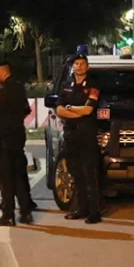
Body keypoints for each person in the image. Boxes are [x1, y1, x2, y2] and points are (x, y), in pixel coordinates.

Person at [0, 61, 34, 226]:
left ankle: (8, 215)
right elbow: (26, 110)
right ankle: (25, 213)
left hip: (3, 139)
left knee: (6, 178)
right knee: (19, 176)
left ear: (4, 72)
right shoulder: (20, 88)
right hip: (18, 136)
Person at [55, 54, 102, 224]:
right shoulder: (66, 85)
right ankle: (80, 209)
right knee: (75, 172)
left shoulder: (93, 85)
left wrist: (70, 109)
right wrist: (76, 112)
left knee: (89, 173)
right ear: (73, 66)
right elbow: (59, 110)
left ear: (87, 66)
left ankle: (94, 212)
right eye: (76, 63)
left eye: (82, 63)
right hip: (70, 134)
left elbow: (88, 110)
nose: (79, 66)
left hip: (86, 134)